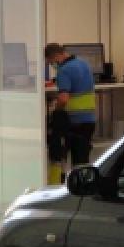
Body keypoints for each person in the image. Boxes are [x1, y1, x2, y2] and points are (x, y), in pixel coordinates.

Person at [44, 43, 97, 182]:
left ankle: (57, 187)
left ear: (55, 56)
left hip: (73, 121)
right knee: (81, 160)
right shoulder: (83, 64)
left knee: (59, 155)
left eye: (51, 62)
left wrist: (56, 110)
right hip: (89, 120)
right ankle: (82, 188)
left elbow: (64, 98)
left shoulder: (64, 70)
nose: (53, 66)